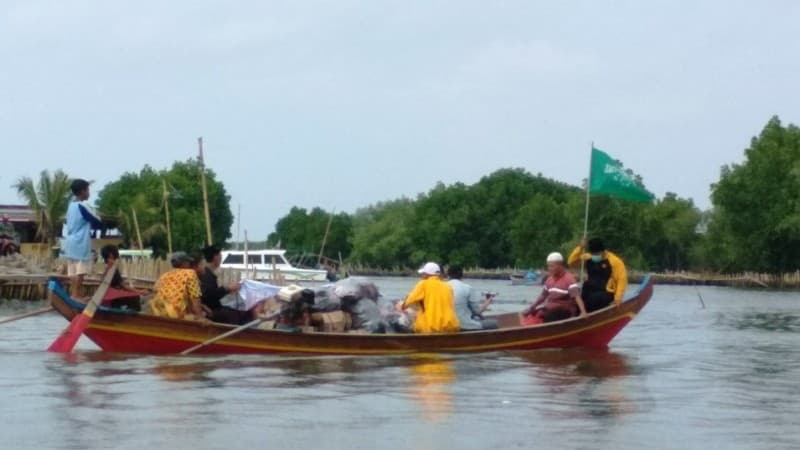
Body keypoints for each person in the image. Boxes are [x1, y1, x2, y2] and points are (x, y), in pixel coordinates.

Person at [61, 179, 104, 299]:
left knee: (72, 271)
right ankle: (77, 296)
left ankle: (73, 294)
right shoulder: (83, 205)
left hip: (69, 242)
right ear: (82, 191)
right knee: (80, 271)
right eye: (88, 190)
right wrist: (101, 224)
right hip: (80, 242)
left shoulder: (70, 206)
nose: (89, 193)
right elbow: (96, 220)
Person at [523, 252, 587, 324]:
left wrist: (583, 312)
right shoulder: (549, 280)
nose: (549, 269)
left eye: (552, 266)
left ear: (560, 265)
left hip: (564, 311)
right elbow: (543, 296)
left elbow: (577, 297)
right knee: (533, 313)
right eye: (548, 266)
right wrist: (532, 307)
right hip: (550, 309)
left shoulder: (569, 279)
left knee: (550, 314)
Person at [568, 238, 628, 312]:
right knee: (578, 303)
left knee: (592, 301)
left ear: (603, 251)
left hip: (606, 292)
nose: (594, 256)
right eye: (593, 254)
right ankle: (578, 318)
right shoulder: (588, 258)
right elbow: (571, 262)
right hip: (589, 290)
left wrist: (618, 298)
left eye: (597, 254)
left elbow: (621, 280)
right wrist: (580, 248)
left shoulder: (615, 261)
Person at [398, 262, 459, 333]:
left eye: (423, 273)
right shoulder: (448, 287)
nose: (422, 275)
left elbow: (409, 300)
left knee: (400, 325)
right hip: (450, 327)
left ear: (427, 274)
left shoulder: (423, 284)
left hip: (429, 328)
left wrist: (402, 306)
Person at [149, 252, 207, 321]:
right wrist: (201, 318)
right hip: (175, 315)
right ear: (184, 263)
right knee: (203, 315)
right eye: (188, 262)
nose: (189, 264)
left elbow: (155, 290)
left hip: (157, 312)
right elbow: (195, 300)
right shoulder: (190, 274)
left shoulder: (165, 275)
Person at [199, 245, 248, 325]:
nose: (221, 257)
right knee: (237, 314)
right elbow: (209, 296)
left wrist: (227, 289)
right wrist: (227, 288)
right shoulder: (207, 275)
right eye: (220, 255)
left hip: (212, 308)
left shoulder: (208, 273)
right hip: (211, 310)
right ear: (215, 257)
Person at [447, 265, 496, 331]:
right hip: (464, 326)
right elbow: (477, 312)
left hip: (447, 325)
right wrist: (487, 302)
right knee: (494, 323)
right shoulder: (468, 288)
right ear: (462, 275)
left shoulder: (442, 288)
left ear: (448, 274)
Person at [99, 244, 142, 311]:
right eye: (110, 258)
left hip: (113, 295)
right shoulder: (109, 270)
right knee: (135, 297)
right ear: (106, 259)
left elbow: (122, 285)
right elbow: (124, 286)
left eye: (113, 258)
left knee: (133, 296)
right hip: (110, 296)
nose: (112, 260)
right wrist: (140, 291)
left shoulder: (112, 269)